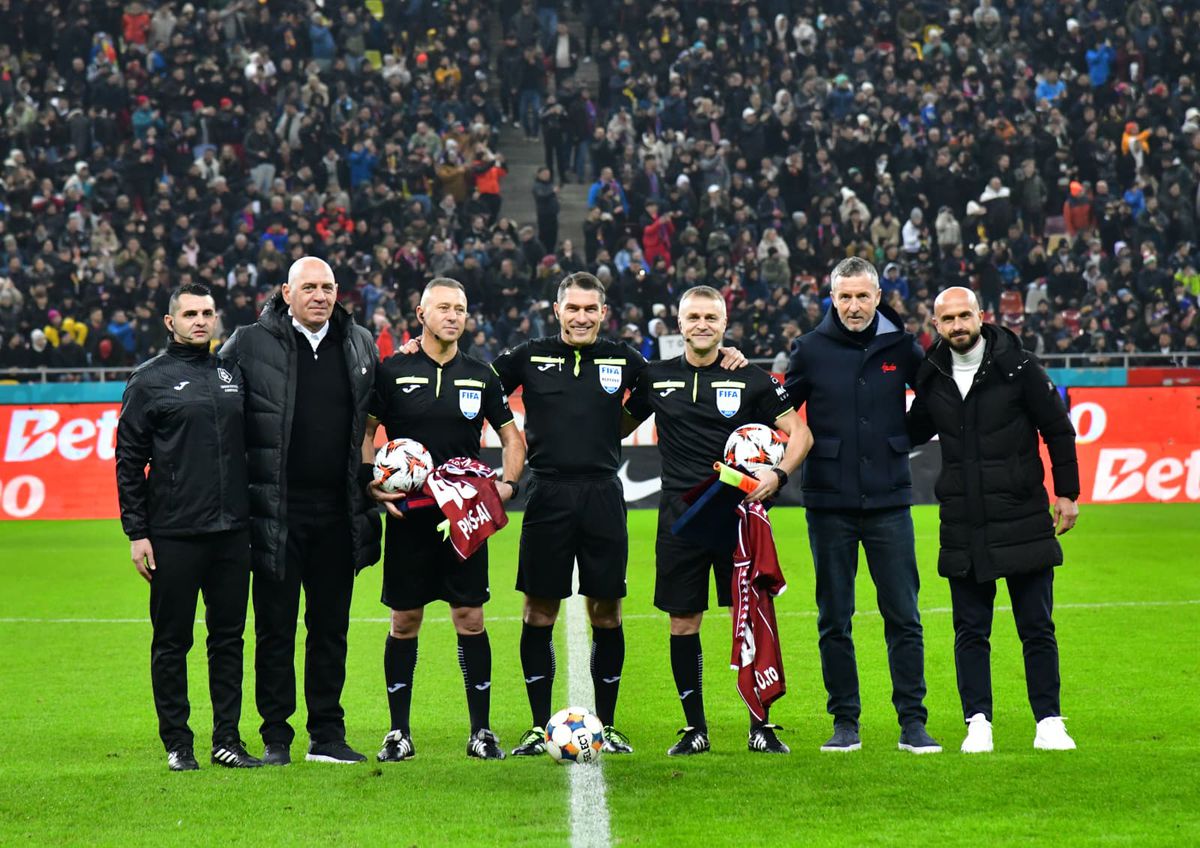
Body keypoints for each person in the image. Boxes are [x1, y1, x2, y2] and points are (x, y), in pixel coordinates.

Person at [624, 286, 813, 756]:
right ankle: (695, 729)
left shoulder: (750, 378)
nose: (702, 324)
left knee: (749, 617)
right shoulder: (656, 377)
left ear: (724, 324)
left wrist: (779, 473)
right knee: (683, 622)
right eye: (693, 316)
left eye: (711, 316)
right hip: (679, 519)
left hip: (738, 519)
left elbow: (800, 434)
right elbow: (613, 426)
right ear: (679, 324)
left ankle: (760, 726)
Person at [220, 257, 381, 766]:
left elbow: (371, 422)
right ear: (285, 292)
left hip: (338, 511)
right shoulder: (247, 343)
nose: (319, 295)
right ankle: (276, 737)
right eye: (308, 286)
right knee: (275, 629)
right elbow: (220, 415)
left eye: (327, 287)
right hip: (276, 514)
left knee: (331, 627)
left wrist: (374, 481)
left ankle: (328, 735)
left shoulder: (358, 343)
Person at [906, 287, 1080, 753]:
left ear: (981, 317)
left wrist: (1067, 494)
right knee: (970, 629)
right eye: (949, 319)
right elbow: (907, 431)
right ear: (936, 326)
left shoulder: (1019, 366)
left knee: (1037, 626)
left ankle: (1049, 722)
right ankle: (978, 723)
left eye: (966, 315)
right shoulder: (933, 374)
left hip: (1020, 512)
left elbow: (1058, 429)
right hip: (963, 519)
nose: (958, 325)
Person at [784, 256, 941, 754]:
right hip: (828, 501)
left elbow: (934, 403)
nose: (854, 306)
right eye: (845, 297)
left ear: (878, 296)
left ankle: (913, 723)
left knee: (904, 615)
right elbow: (780, 410)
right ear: (832, 298)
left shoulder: (902, 345)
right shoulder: (808, 349)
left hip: (891, 500)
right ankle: (844, 722)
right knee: (835, 617)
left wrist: (900, 440)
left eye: (862, 296)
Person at [366, 279, 527, 762]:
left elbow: (513, 439)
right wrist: (368, 483)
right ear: (421, 312)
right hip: (410, 516)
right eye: (443, 308)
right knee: (404, 621)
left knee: (470, 619)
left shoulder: (482, 374)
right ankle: (398, 733)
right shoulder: (392, 372)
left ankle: (481, 732)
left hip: (465, 516)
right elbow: (366, 432)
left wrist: (509, 484)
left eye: (460, 308)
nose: (453, 316)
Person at [488, 272, 645, 756]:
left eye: (590, 309)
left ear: (603, 312)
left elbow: (667, 383)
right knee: (539, 609)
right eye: (572, 308)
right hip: (547, 494)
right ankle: (539, 726)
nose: (581, 317)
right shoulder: (529, 355)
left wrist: (728, 354)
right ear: (556, 311)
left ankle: (610, 724)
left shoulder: (623, 358)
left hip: (602, 494)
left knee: (607, 610)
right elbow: (473, 379)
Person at [115, 283, 260, 771]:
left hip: (231, 533)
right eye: (191, 313)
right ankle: (178, 743)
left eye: (209, 313)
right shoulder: (148, 380)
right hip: (173, 534)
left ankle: (227, 740)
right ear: (170, 321)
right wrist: (137, 533)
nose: (201, 321)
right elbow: (129, 460)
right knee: (172, 641)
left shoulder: (231, 373)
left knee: (228, 639)